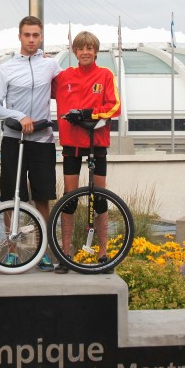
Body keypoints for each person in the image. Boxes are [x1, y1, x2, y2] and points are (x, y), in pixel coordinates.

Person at [0, 16, 61, 271]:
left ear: (41, 37)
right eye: (27, 35)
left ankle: (41, 250)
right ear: (19, 37)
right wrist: (20, 117)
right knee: (12, 196)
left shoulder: (50, 65)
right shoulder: (5, 68)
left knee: (43, 198)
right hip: (13, 139)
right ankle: (12, 249)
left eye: (36, 35)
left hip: (42, 141)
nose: (31, 39)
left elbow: (67, 89)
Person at [52, 31, 121, 273]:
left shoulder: (105, 75)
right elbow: (38, 91)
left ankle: (103, 254)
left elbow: (115, 106)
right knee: (69, 200)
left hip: (96, 142)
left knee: (100, 198)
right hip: (71, 143)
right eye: (81, 49)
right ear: (74, 51)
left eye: (90, 48)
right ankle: (65, 253)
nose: (85, 52)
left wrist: (87, 113)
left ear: (96, 51)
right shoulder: (63, 77)